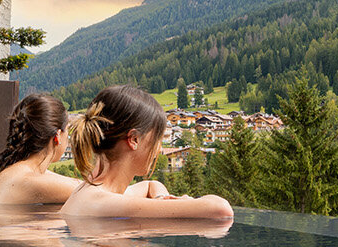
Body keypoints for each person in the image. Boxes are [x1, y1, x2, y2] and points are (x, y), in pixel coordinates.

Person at [61, 85, 233, 221]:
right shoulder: (103, 204)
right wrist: (186, 202)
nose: (158, 149)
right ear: (134, 139)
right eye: (157, 138)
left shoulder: (96, 193)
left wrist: (162, 198)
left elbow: (150, 185)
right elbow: (221, 210)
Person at [0, 93, 82, 208]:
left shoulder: (17, 170)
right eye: (67, 132)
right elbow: (88, 192)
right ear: (57, 135)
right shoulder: (31, 181)